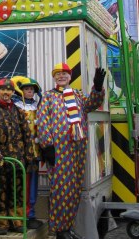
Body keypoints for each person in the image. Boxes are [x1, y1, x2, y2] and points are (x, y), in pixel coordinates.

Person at [37, 62, 106, 239]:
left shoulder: (78, 95)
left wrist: (97, 87)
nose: (61, 76)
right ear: (54, 77)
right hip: (59, 149)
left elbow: (92, 104)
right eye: (58, 74)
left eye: (64, 74)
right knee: (61, 188)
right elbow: (43, 122)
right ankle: (60, 229)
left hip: (77, 148)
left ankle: (68, 226)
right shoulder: (48, 97)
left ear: (70, 76)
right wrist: (48, 146)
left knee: (74, 187)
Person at [0, 77, 35, 235]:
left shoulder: (18, 111)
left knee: (17, 193)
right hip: (0, 162)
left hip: (17, 161)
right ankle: (0, 224)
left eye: (9, 90)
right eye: (3, 90)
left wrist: (29, 158)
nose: (6, 92)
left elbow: (27, 135)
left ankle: (16, 221)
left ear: (13, 92)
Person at [13, 77, 43, 230]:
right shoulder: (16, 107)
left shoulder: (39, 107)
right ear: (21, 91)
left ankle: (31, 214)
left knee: (33, 184)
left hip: (35, 153)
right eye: (26, 89)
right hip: (21, 153)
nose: (30, 91)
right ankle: (21, 215)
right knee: (21, 184)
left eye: (32, 89)